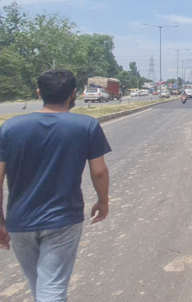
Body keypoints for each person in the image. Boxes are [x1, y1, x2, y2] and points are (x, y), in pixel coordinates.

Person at [0, 69, 111, 302]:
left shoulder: (10, 128)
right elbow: (99, 171)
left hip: (20, 221)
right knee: (52, 287)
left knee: (38, 284)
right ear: (74, 94)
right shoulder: (86, 125)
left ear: (39, 92)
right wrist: (103, 201)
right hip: (63, 219)